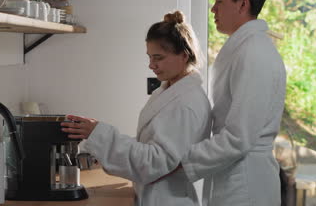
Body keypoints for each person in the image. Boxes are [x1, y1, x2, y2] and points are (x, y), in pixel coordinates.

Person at [61, 11, 212, 206]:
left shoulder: (186, 103)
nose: (151, 65)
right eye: (149, 57)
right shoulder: (168, 90)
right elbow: (150, 145)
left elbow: (156, 162)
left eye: (158, 57)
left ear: (183, 55)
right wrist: (100, 143)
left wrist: (100, 135)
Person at [178, 0, 287, 206]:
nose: (213, 9)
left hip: (246, 185)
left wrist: (182, 162)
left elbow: (239, 137)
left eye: (219, 0)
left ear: (242, 4)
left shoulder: (254, 53)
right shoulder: (244, 49)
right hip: (234, 175)